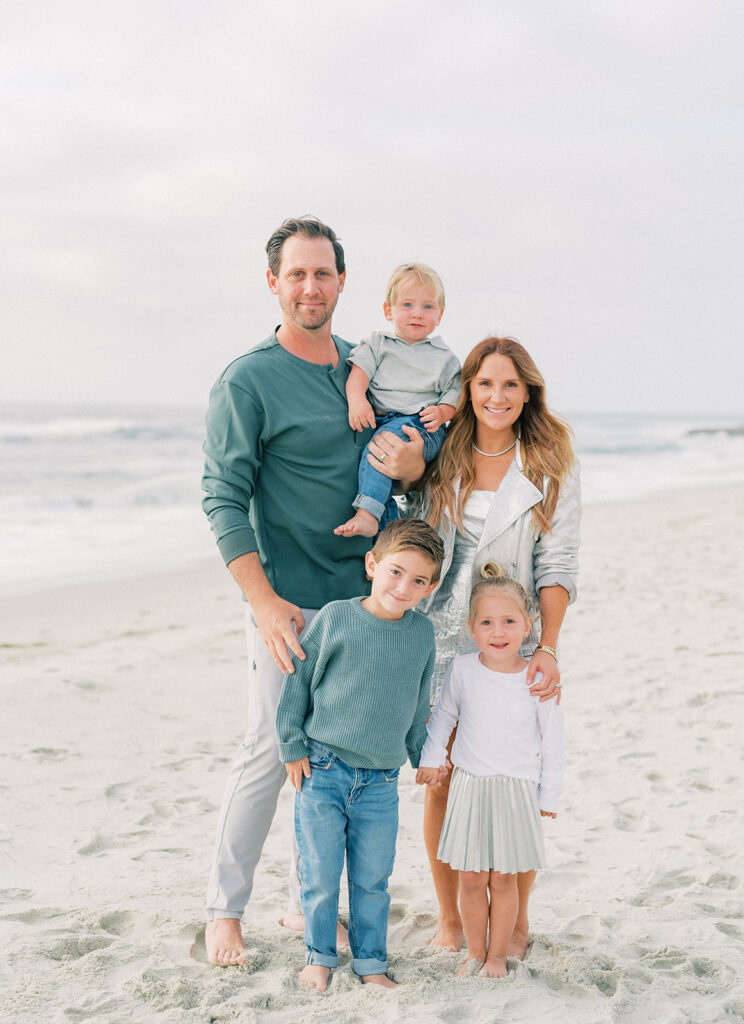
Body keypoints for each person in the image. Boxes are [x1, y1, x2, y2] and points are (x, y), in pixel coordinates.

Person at [201, 216, 426, 966]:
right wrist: (262, 602)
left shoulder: (366, 369)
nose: (310, 286)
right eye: (295, 274)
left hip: (365, 605)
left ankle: (309, 910)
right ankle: (223, 913)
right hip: (289, 606)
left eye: (322, 273)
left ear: (340, 280)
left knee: (332, 764)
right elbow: (223, 498)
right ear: (274, 283)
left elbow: (404, 465)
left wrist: (412, 468)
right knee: (273, 750)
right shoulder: (249, 379)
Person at [397, 335, 580, 955]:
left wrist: (547, 647)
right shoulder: (443, 452)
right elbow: (410, 530)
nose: (496, 396)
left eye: (509, 385)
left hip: (509, 637)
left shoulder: (550, 461)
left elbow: (557, 563)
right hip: (437, 633)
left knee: (513, 778)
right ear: (467, 389)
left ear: (527, 391)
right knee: (443, 778)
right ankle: (450, 916)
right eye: (484, 384)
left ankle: (518, 916)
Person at [276, 519, 443, 991]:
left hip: (380, 782)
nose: (403, 587)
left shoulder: (420, 634)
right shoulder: (336, 617)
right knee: (321, 875)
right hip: (323, 769)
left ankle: (371, 964)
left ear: (430, 587)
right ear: (372, 564)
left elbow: (417, 704)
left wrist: (421, 755)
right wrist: (291, 744)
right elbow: (297, 684)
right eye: (395, 572)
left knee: (373, 881)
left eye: (418, 580)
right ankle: (319, 957)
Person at [416, 574, 565, 978]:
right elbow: (444, 716)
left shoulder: (536, 678)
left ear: (528, 624)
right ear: (470, 629)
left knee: (503, 880)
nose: (497, 632)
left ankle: (497, 957)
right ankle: (474, 953)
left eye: (509, 622)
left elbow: (553, 740)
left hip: (515, 792)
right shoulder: (463, 670)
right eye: (486, 623)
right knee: (470, 878)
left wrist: (548, 796)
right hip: (469, 788)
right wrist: (431, 759)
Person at [334, 263, 461, 538]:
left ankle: (367, 513)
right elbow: (358, 374)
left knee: (380, 449)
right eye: (407, 304)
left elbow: (456, 393)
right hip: (383, 420)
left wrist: (442, 412)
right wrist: (356, 400)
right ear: (388, 310)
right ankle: (388, 535)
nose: (417, 313)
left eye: (428, 307)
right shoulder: (378, 344)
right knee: (384, 476)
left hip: (421, 425)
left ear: (439, 315)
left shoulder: (443, 357)